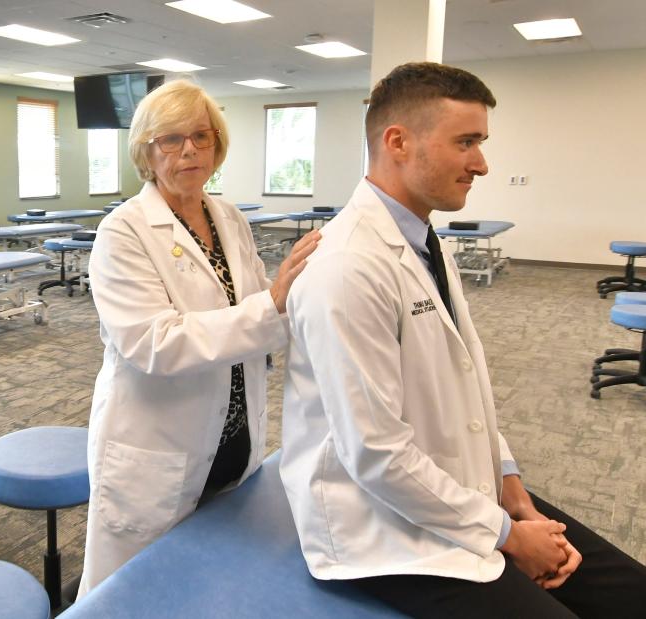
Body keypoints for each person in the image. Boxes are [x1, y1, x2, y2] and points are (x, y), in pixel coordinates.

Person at [280, 62, 646, 617]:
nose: (482, 163)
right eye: (466, 142)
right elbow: (374, 454)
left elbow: (466, 389)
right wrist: (507, 535)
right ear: (398, 142)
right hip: (381, 529)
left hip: (453, 487)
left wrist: (514, 493)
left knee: (631, 591)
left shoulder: (427, 240)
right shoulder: (347, 267)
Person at [78, 79, 319, 596]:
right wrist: (272, 304)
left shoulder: (228, 217)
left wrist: (306, 302)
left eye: (201, 136)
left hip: (233, 441)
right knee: (136, 595)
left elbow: (265, 317)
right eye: (170, 139)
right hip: (159, 448)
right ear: (147, 151)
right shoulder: (123, 231)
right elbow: (155, 344)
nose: (189, 149)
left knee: (214, 586)